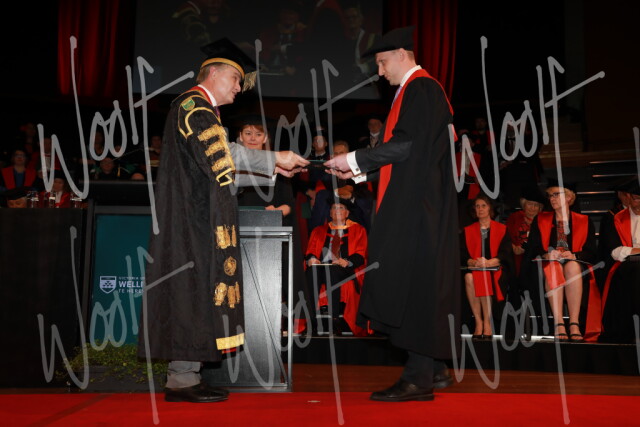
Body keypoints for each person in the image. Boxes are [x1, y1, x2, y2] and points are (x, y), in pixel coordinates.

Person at [137, 38, 308, 404]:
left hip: (199, 219)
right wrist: (275, 157)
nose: (238, 88)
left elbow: (219, 171)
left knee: (197, 296)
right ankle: (181, 379)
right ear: (213, 73)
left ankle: (185, 376)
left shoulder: (203, 111)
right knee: (189, 294)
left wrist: (272, 170)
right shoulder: (192, 106)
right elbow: (227, 155)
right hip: (190, 222)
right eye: (235, 79)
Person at [324, 26, 459, 402]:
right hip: (421, 203)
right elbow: (408, 156)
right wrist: (356, 171)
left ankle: (418, 379)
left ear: (402, 54)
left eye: (383, 63)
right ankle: (435, 368)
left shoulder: (421, 88)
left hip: (419, 209)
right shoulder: (420, 90)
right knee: (420, 282)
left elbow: (406, 146)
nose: (380, 72)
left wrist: (353, 158)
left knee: (414, 285)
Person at [521, 181, 600, 342]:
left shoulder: (584, 220)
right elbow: (533, 247)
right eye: (550, 195)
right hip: (547, 265)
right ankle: (559, 323)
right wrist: (546, 254)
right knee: (554, 267)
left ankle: (574, 323)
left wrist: (575, 255)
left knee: (572, 267)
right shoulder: (541, 219)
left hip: (575, 265)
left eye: (556, 194)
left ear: (569, 197)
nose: (552, 198)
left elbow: (591, 251)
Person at [305, 197, 367, 336]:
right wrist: (312, 259)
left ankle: (334, 320)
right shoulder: (318, 230)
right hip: (322, 267)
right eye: (334, 208)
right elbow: (310, 251)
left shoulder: (358, 230)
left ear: (347, 213)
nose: (337, 210)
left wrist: (347, 261)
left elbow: (361, 254)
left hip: (345, 269)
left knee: (332, 270)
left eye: (341, 208)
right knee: (311, 272)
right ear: (330, 213)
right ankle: (311, 320)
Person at [461, 194, 513, 340]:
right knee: (469, 277)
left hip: (496, 270)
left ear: (490, 208)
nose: (480, 209)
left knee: (481, 276)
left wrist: (491, 262)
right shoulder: (468, 230)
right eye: (477, 206)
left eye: (483, 205)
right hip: (475, 268)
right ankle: (479, 321)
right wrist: (472, 262)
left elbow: (506, 253)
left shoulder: (502, 229)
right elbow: (462, 253)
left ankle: (487, 322)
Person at [599, 179, 640, 343]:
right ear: (628, 197)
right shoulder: (616, 218)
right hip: (625, 265)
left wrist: (630, 250)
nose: (638, 202)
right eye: (636, 198)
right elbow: (616, 252)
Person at [505, 186, 545, 275]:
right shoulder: (515, 217)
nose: (532, 208)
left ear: (540, 208)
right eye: (529, 204)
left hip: (536, 256)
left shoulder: (544, 220)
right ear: (524, 204)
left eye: (536, 205)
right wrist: (513, 247)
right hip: (516, 255)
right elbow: (505, 236)